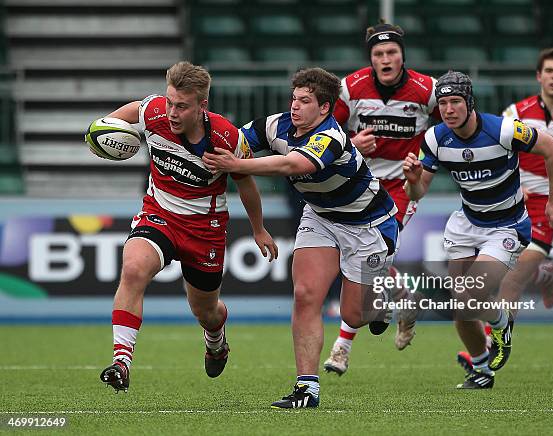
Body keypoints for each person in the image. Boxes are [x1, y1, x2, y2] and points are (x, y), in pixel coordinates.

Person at [203, 67, 399, 408]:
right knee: (306, 294)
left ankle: (386, 296)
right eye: (294, 99)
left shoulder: (331, 137)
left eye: (305, 101)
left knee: (353, 316)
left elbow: (292, 165)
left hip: (369, 223)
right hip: (320, 216)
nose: (295, 106)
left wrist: (235, 164)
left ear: (324, 108)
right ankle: (307, 389)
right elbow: (232, 140)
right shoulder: (276, 124)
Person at [97, 61, 278, 392]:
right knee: (134, 268)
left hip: (204, 229)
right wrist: (102, 129)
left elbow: (247, 184)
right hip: (159, 214)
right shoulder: (153, 113)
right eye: (169, 102)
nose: (171, 112)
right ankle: (121, 362)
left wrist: (259, 228)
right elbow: (126, 114)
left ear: (201, 105)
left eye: (181, 106)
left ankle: (216, 341)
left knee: (206, 310)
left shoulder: (227, 137)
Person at [402, 70, 553, 389]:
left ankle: (502, 326)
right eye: (444, 103)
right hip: (466, 224)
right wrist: (412, 180)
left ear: (470, 102)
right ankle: (481, 370)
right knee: (460, 307)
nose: (448, 109)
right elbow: (417, 192)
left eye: (455, 102)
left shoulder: (503, 130)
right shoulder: (435, 138)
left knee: (469, 294)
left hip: (506, 226)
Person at [456, 48, 553, 373]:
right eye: (549, 70)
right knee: (489, 276)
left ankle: (490, 352)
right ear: (539, 76)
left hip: (550, 205)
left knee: (510, 281)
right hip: (512, 202)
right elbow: (499, 150)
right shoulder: (516, 112)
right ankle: (544, 273)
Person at [323, 20, 439, 376]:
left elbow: (448, 129)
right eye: (378, 53)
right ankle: (402, 294)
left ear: (402, 56)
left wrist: (425, 161)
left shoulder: (427, 90)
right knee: (364, 256)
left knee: (367, 253)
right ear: (370, 58)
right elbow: (327, 130)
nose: (386, 59)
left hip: (401, 186)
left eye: (392, 52)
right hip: (359, 180)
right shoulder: (351, 88)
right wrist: (351, 143)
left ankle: (341, 348)